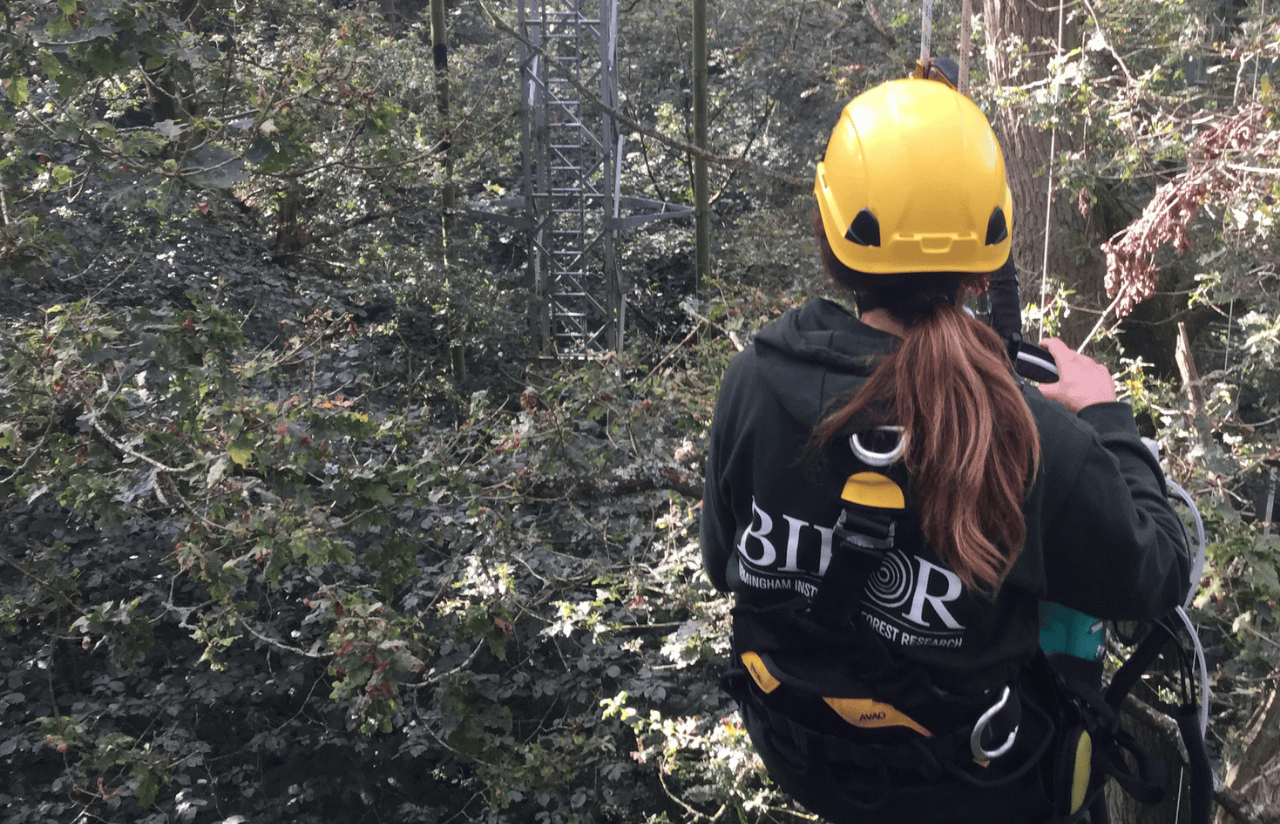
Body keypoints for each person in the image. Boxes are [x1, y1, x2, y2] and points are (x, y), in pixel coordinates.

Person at [700, 78, 1190, 823]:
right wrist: (1106, 415)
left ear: (830, 236)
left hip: (808, 753)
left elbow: (722, 562)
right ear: (983, 259)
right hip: (973, 786)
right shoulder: (1028, 433)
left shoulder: (756, 382)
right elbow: (1156, 573)